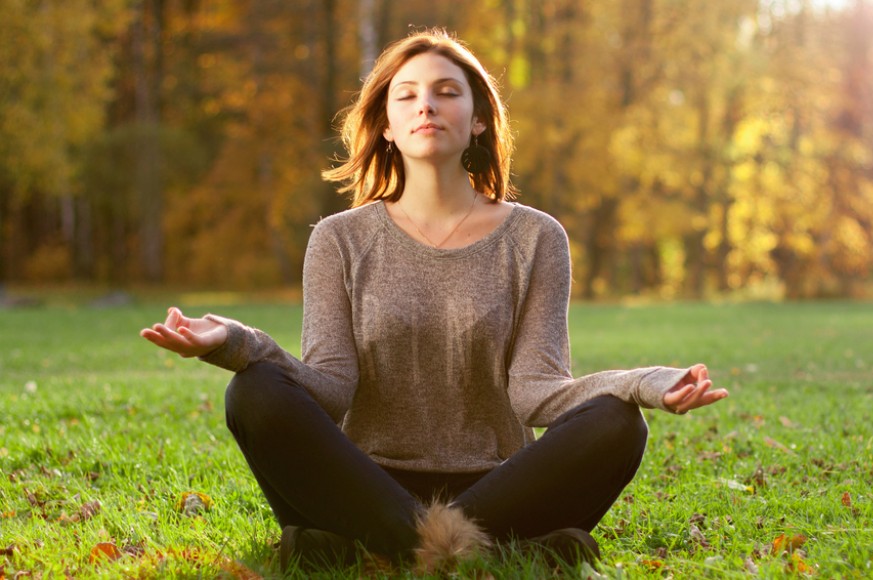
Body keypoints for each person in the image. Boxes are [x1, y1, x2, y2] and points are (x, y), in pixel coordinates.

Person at [140, 28, 728, 574]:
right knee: (253, 391)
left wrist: (645, 384)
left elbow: (538, 391)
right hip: (363, 486)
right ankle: (484, 548)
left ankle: (371, 550)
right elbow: (330, 387)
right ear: (386, 125)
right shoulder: (339, 240)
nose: (426, 105)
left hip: (499, 487)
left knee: (618, 423)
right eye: (407, 95)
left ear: (478, 119)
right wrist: (234, 341)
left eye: (447, 92)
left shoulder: (536, 237)